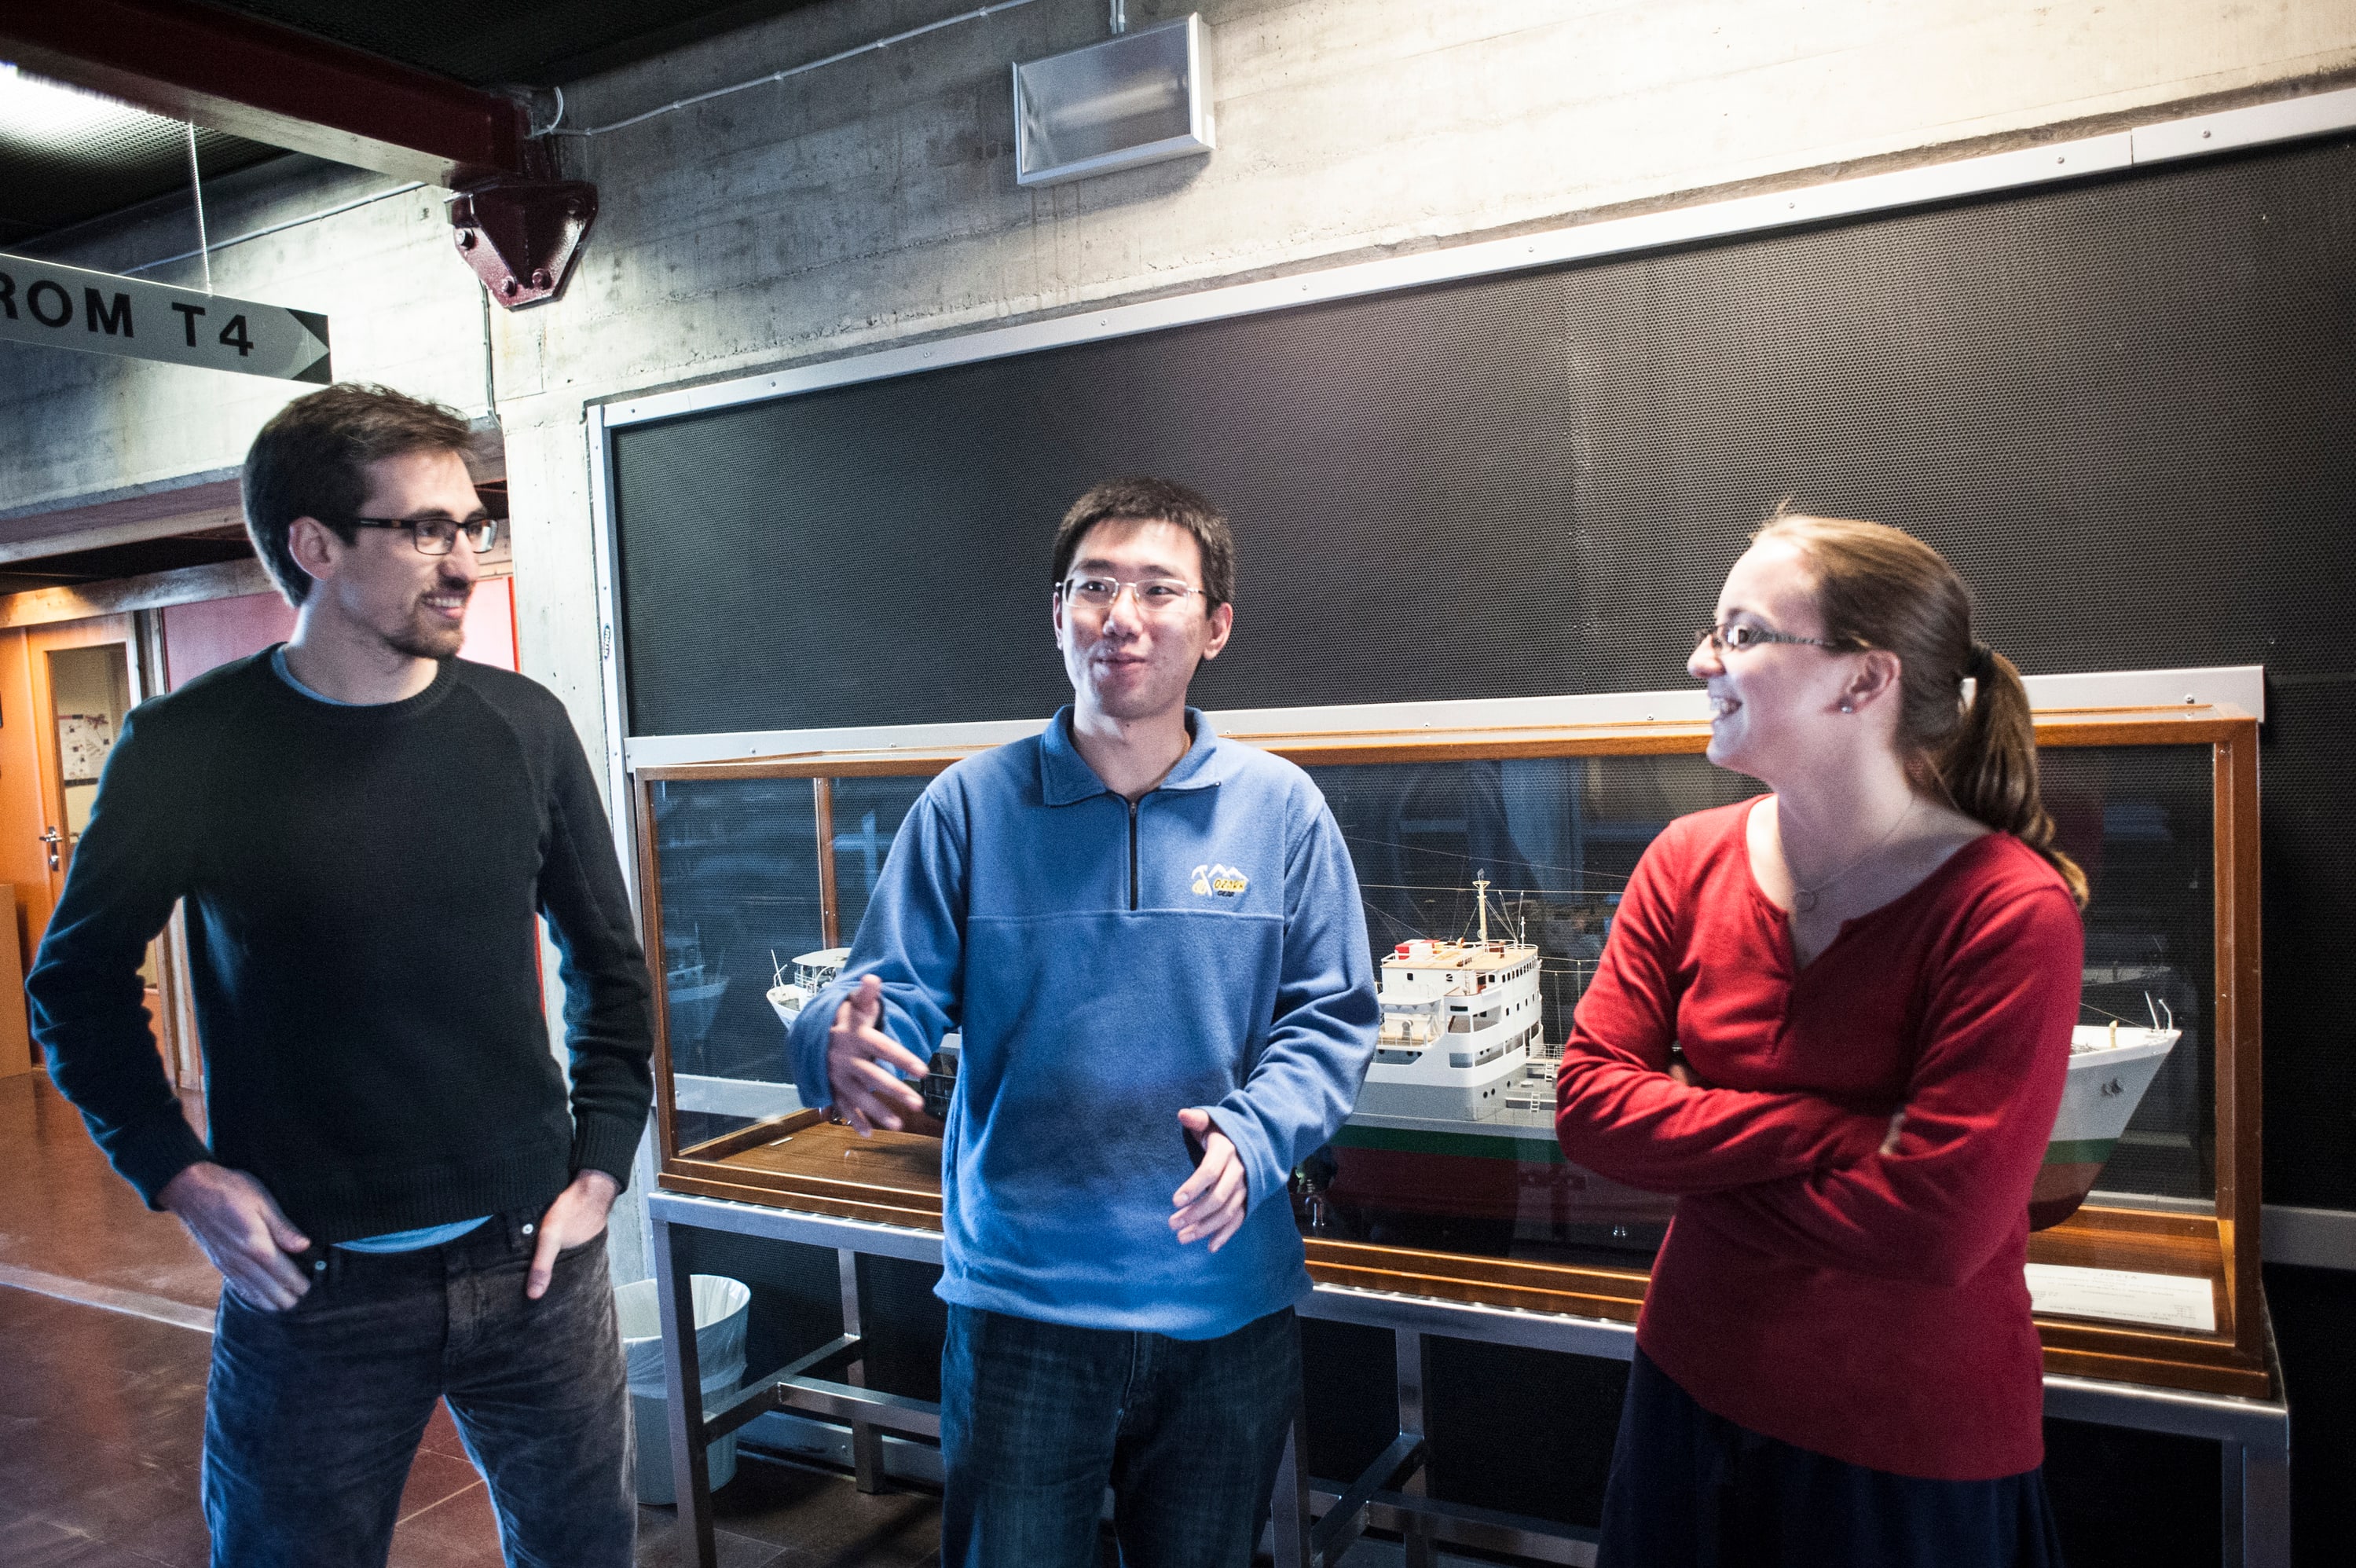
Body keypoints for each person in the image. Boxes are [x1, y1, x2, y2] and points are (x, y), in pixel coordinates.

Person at [27, 383, 654, 1568]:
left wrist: (602, 1167)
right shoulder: (189, 746)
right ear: (314, 546)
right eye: (425, 529)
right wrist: (178, 1174)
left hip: (535, 1262)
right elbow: (76, 983)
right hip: (310, 1283)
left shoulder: (522, 726)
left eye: (473, 525)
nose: (464, 561)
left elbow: (612, 973)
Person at [787, 476, 1379, 1567]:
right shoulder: (970, 805)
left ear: (1216, 625)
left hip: (1223, 1303)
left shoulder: (1282, 810)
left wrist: (1258, 1134)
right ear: (1058, 614)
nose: (1123, 616)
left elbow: (1331, 1018)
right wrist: (835, 1040)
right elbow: (886, 993)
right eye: (1095, 587)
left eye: (1159, 589)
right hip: (1021, 1308)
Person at [1554, 506, 2087, 1567]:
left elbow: (1940, 1230)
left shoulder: (2009, 910)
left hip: (1904, 1450)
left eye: (1743, 633)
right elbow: (1592, 1110)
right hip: (1687, 1396)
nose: (1701, 659)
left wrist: (1696, 1148)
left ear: (1864, 679)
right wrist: (1829, 1132)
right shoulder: (1684, 859)